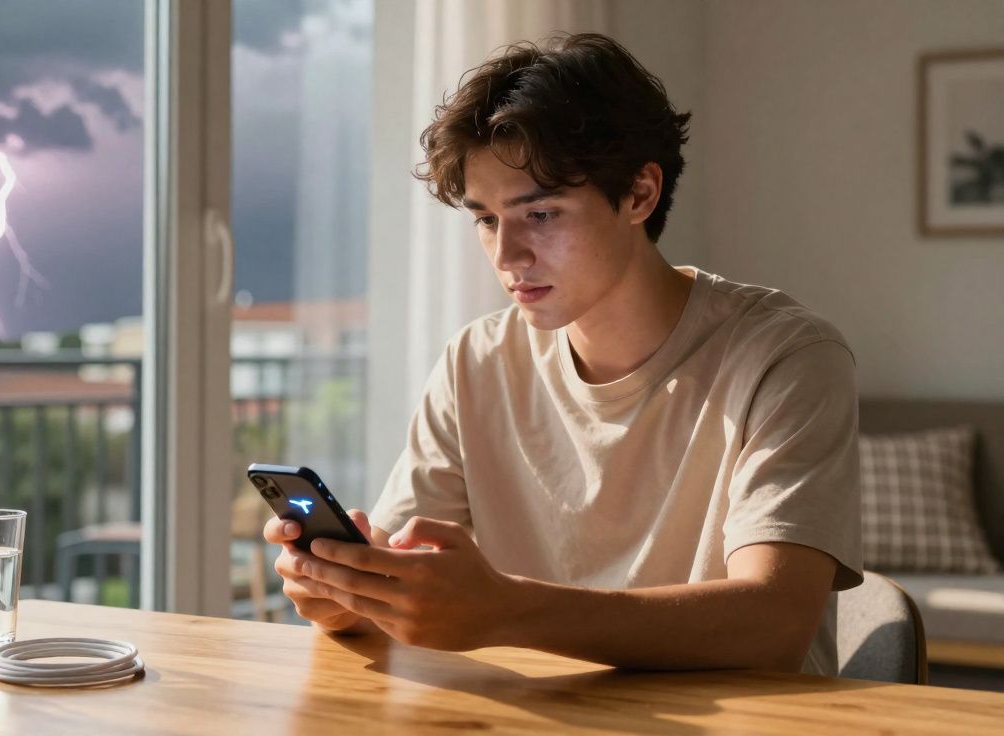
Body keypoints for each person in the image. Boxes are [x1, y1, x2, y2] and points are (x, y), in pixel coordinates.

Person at [264, 32, 861, 676]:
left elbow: (772, 624)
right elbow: (399, 581)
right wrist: (345, 591)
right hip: (541, 714)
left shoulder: (788, 357)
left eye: (541, 214)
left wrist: (507, 611)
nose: (506, 255)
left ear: (639, 194)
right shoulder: (476, 363)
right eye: (487, 219)